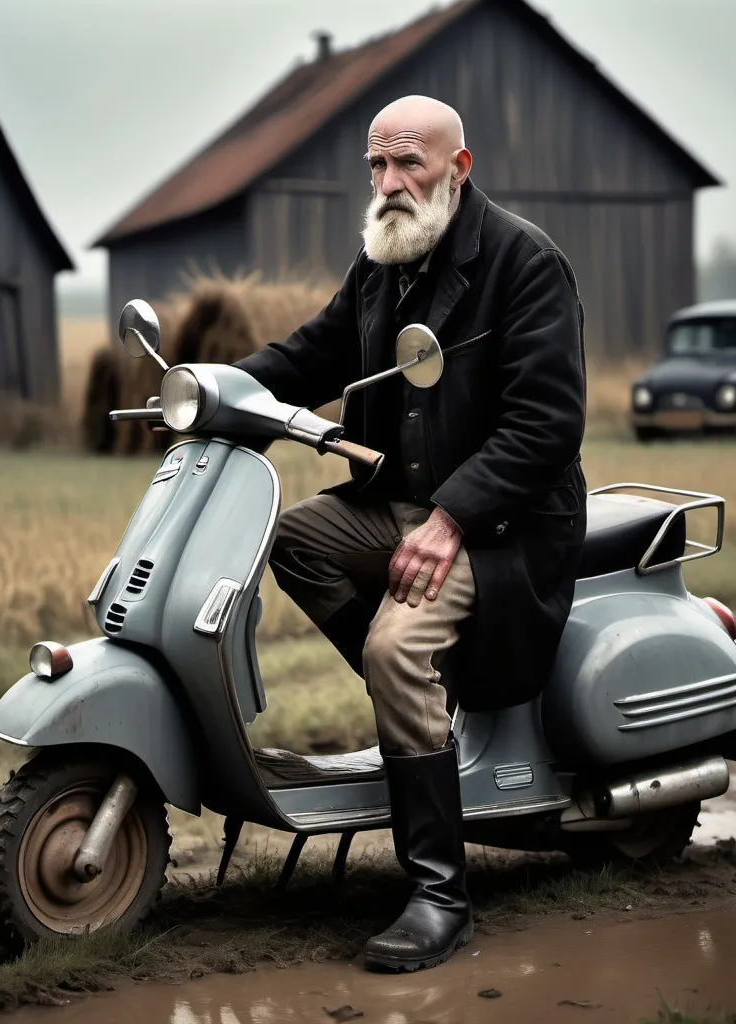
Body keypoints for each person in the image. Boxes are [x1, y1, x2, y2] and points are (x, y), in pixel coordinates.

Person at [233, 94, 587, 972]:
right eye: (377, 167)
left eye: (409, 165)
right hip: (402, 502)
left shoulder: (525, 263)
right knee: (297, 540)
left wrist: (453, 519)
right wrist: (217, 389)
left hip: (501, 528)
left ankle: (439, 892)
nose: (389, 184)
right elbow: (313, 353)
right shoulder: (384, 259)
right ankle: (424, 709)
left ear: (457, 169)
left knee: (395, 647)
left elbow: (545, 426)